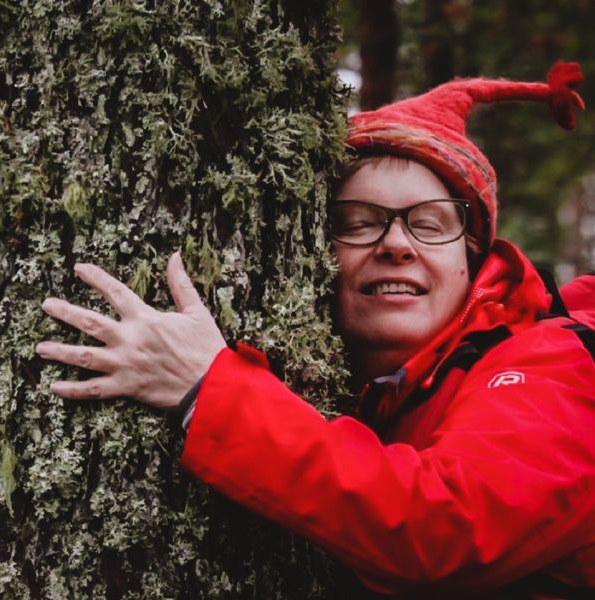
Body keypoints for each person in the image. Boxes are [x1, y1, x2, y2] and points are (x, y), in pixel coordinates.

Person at [36, 63, 595, 595]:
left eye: (429, 224)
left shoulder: (554, 361)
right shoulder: (379, 393)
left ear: (471, 260)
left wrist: (210, 389)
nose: (397, 245)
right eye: (358, 223)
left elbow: (443, 529)